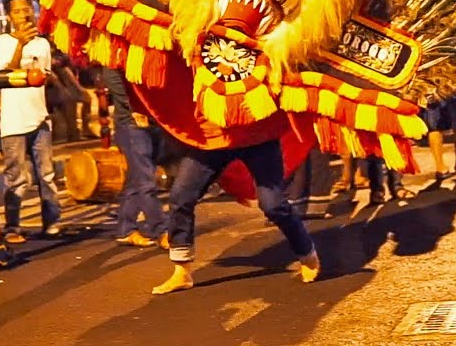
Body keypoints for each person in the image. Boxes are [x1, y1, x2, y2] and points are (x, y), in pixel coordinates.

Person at [154, 135, 321, 294]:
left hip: (258, 135)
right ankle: (181, 269)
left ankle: (305, 251)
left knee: (273, 205)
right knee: (182, 196)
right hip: (213, 136)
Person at [0, 0, 60, 239]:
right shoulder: (1, 42)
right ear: (10, 16)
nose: (24, 14)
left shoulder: (42, 44)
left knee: (47, 176)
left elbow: (47, 75)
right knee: (16, 178)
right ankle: (13, 226)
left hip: (40, 118)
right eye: (17, 11)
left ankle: (51, 222)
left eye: (27, 9)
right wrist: (20, 43)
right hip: (13, 121)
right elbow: (7, 72)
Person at [104, 67, 168, 247]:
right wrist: (137, 110)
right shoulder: (114, 60)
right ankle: (161, 230)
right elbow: (119, 90)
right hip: (132, 125)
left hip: (156, 121)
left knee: (136, 179)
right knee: (146, 181)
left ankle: (126, 229)